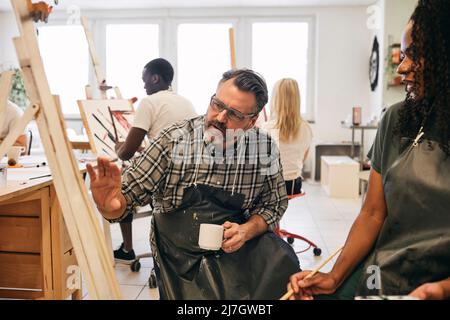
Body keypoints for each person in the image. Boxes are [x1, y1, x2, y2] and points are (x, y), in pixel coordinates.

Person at [88, 69, 300, 299]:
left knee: (283, 267)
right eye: (217, 105)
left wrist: (246, 231)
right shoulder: (173, 140)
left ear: (251, 121)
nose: (220, 118)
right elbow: (127, 197)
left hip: (234, 255)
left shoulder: (263, 149)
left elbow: (274, 204)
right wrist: (110, 204)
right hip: (177, 260)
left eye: (234, 114)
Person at [288, 0, 450, 300]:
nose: (402, 68)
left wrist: (439, 290)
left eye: (414, 55)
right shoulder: (397, 120)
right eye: (402, 56)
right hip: (386, 273)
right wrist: (334, 277)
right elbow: (373, 213)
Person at [113, 58, 197, 264]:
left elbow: (126, 153)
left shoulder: (149, 102)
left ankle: (127, 249)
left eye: (145, 80)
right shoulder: (185, 101)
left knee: (120, 190)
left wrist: (119, 148)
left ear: (155, 78)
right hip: (191, 180)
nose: (143, 85)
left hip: (165, 183)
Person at [259, 78, 312, 195]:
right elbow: (303, 158)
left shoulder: (267, 128)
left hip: (273, 187)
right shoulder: (306, 128)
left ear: (275, 100)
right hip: (294, 185)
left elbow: (262, 165)